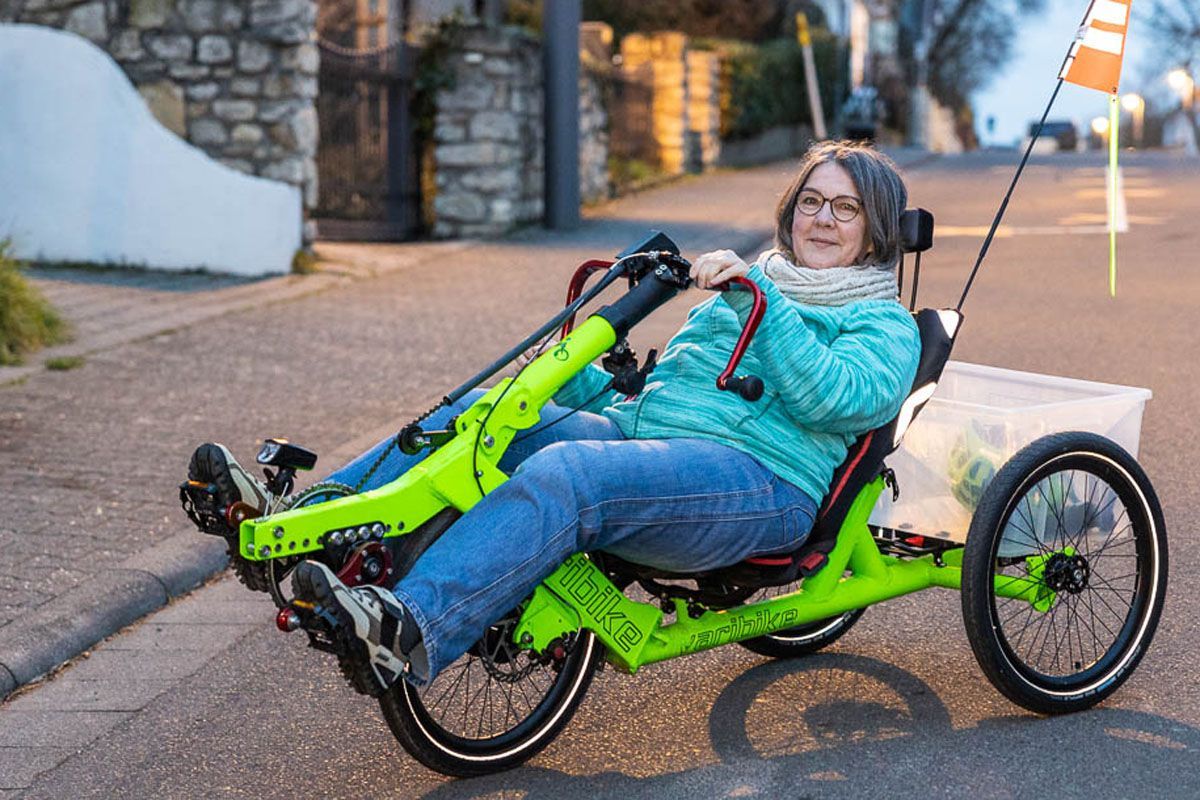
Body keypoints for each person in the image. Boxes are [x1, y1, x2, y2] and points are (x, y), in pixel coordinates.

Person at [188, 141, 923, 693]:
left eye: (845, 207)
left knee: (573, 475)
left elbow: (838, 398)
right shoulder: (758, 281)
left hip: (761, 485)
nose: (822, 219)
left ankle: (409, 626)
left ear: (876, 228)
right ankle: (299, 525)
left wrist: (764, 306)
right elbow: (660, 385)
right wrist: (550, 387)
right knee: (481, 417)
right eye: (811, 201)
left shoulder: (882, 322)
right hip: (652, 439)